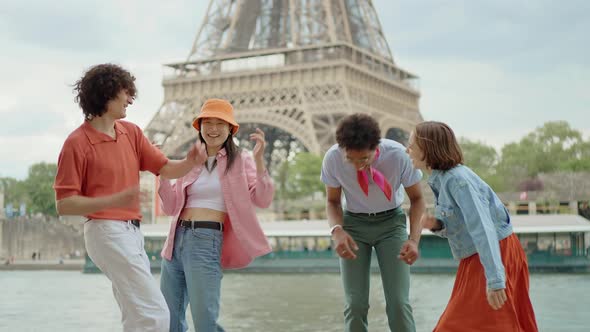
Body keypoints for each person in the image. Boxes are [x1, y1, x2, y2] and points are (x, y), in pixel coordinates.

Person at [54, 63, 207, 332]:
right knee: (155, 314)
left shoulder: (132, 132)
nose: (130, 98)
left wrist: (190, 162)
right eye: (125, 92)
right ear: (107, 93)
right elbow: (64, 204)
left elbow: (165, 168)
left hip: (133, 232)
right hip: (105, 232)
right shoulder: (76, 144)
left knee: (136, 314)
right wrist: (111, 201)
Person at [406, 121, 538, 332]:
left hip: (492, 253)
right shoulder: (444, 180)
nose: (407, 149)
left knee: (461, 325)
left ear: (428, 147)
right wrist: (437, 224)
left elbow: (483, 228)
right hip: (482, 255)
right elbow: (461, 225)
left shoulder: (458, 181)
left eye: (412, 144)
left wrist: (495, 280)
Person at [158, 98, 274, 332]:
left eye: (220, 123)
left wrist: (260, 161)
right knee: (168, 321)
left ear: (231, 129)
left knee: (205, 322)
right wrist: (161, 172)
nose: (212, 128)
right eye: (207, 122)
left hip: (206, 240)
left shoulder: (242, 160)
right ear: (199, 127)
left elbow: (262, 199)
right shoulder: (190, 161)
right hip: (174, 241)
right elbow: (170, 207)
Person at [320, 113, 425, 332]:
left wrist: (414, 240)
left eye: (364, 159)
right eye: (351, 159)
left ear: (376, 147)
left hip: (391, 224)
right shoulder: (332, 158)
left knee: (398, 303)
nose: (358, 166)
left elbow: (417, 199)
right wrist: (337, 230)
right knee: (355, 304)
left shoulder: (398, 155)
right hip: (353, 226)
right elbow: (332, 201)